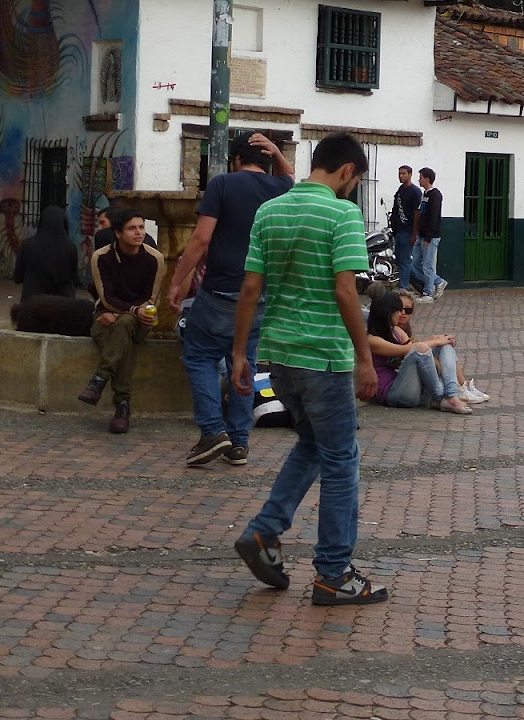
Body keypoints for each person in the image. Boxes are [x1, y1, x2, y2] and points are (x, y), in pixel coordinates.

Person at [229, 133, 386, 607]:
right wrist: (364, 358)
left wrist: (239, 353)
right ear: (347, 171)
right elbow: (345, 291)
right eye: (354, 181)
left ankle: (264, 531)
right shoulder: (342, 214)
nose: (352, 189)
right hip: (325, 357)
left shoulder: (270, 212)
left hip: (280, 356)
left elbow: (250, 288)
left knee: (312, 445)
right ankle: (333, 573)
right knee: (341, 461)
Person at [168, 132, 294, 469]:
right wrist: (276, 151)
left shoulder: (222, 184)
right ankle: (239, 442)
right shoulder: (280, 188)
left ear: (235, 159)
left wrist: (176, 281)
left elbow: (200, 239)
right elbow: (289, 175)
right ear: (267, 161)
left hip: (221, 289)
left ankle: (213, 431)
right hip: (261, 294)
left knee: (199, 356)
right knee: (244, 362)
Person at [79, 211, 167, 434]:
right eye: (132, 228)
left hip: (140, 321)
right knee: (123, 332)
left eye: (141, 227)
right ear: (118, 233)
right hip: (105, 318)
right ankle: (122, 406)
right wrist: (126, 313)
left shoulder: (154, 259)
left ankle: (100, 379)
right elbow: (107, 297)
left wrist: (126, 313)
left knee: (125, 323)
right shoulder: (101, 257)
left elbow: (150, 299)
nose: (139, 232)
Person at [364, 292, 473, 412]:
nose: (401, 313)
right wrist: (435, 341)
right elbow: (407, 350)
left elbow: (416, 350)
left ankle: (451, 394)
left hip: (413, 389)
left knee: (445, 345)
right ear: (387, 312)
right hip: (394, 394)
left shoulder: (396, 331)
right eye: (399, 310)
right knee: (423, 348)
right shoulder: (371, 340)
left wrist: (438, 341)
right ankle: (443, 398)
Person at [13, 204, 83, 300]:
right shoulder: (70, 247)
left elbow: (17, 278)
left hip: (32, 303)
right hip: (64, 303)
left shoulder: (27, 245)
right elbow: (75, 279)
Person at [413, 167, 447, 303]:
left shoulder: (435, 195)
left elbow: (434, 217)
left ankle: (428, 292)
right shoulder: (425, 194)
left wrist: (428, 236)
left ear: (427, 179)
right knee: (415, 263)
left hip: (430, 236)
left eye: (421, 177)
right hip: (421, 234)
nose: (419, 180)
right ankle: (438, 281)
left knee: (428, 265)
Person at [388, 165, 423, 292]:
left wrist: (414, 233)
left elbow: (417, 213)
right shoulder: (400, 190)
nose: (401, 176)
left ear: (410, 175)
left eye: (403, 173)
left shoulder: (415, 191)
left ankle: (403, 287)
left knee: (405, 260)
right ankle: (428, 281)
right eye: (399, 173)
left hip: (408, 230)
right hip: (399, 230)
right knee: (399, 260)